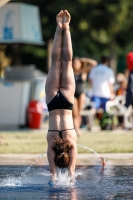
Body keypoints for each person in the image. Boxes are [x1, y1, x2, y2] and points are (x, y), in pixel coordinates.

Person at [45, 10, 77, 184]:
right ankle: (59, 29)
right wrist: (55, 176)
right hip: (52, 102)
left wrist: (71, 175)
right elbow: (53, 175)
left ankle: (66, 28)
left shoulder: (71, 142)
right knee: (55, 62)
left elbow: (72, 171)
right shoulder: (51, 144)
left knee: (68, 62)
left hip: (66, 102)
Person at [72, 57, 97, 136]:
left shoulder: (83, 72)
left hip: (81, 94)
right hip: (72, 95)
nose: (75, 64)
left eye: (77, 63)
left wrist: (83, 60)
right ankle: (76, 129)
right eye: (74, 63)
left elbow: (94, 63)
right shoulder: (70, 72)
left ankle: (77, 128)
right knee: (74, 113)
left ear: (80, 64)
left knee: (79, 113)